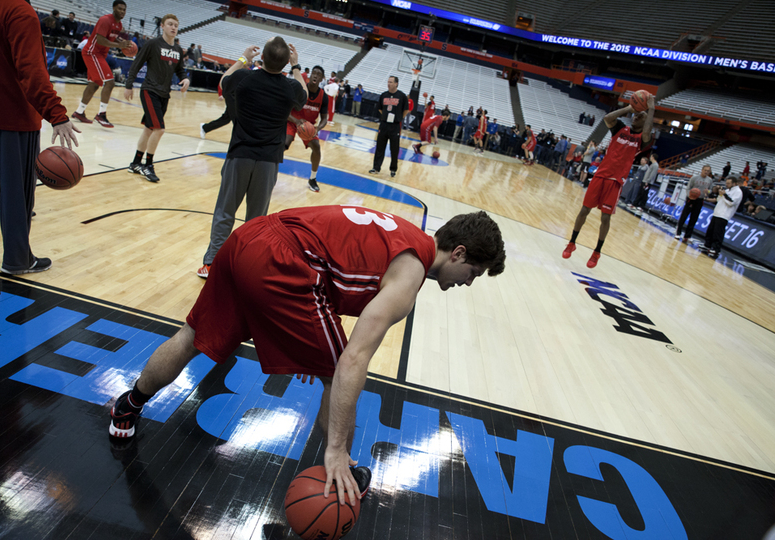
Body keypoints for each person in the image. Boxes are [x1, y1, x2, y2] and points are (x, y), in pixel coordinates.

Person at [109, 205, 506, 506]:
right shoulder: (410, 275)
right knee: (339, 373)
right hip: (285, 261)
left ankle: (128, 405)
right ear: (457, 253)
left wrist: (303, 343)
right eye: (473, 273)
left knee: (190, 335)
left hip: (252, 236)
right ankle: (340, 469)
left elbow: (333, 262)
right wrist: (334, 433)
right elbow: (353, 360)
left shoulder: (403, 233)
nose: (467, 283)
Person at [196, 38, 308, 279]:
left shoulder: (243, 77)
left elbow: (223, 80)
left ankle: (211, 263)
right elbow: (305, 94)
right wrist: (297, 67)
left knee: (225, 211)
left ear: (262, 58)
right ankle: (246, 267)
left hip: (240, 155)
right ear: (287, 62)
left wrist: (243, 58)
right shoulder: (291, 87)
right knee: (256, 219)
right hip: (269, 159)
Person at [0, 0, 80, 274]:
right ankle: (17, 260)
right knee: (17, 194)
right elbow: (31, 69)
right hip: (13, 118)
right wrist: (57, 114)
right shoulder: (19, 11)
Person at [563, 97, 654, 268]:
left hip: (615, 181)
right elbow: (607, 118)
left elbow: (648, 130)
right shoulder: (620, 128)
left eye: (641, 116)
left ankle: (597, 252)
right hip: (600, 175)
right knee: (584, 210)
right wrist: (629, 107)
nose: (636, 116)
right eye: (636, 115)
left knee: (605, 217)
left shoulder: (643, 138)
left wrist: (651, 109)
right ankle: (572, 242)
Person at [122, 14, 189, 183]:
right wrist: (128, 85)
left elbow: (180, 70)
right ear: (162, 26)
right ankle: (148, 165)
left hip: (164, 94)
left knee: (149, 129)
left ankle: (135, 163)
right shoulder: (153, 44)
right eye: (170, 24)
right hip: (149, 90)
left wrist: (186, 78)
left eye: (176, 25)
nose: (173, 27)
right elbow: (137, 63)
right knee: (159, 129)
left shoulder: (178, 50)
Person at [72, 0, 130, 128]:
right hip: (92, 53)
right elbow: (100, 39)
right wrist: (119, 45)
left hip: (100, 55)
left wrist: (123, 42)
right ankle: (101, 114)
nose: (122, 12)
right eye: (120, 9)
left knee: (94, 84)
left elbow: (111, 37)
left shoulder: (118, 25)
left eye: (124, 10)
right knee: (110, 82)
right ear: (114, 8)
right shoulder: (105, 20)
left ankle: (79, 112)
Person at [286, 65, 328, 193]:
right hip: (293, 120)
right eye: (314, 73)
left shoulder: (323, 96)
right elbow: (285, 110)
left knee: (316, 146)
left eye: (318, 74)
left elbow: (325, 118)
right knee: (284, 143)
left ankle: (312, 179)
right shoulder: (300, 90)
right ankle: (269, 171)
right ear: (310, 76)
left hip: (308, 125)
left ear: (322, 78)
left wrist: (318, 128)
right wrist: (296, 121)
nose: (315, 75)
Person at [369, 76, 408, 178]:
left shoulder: (402, 96)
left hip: (395, 126)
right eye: (388, 82)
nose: (388, 83)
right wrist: (384, 116)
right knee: (380, 147)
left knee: (394, 149)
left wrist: (399, 118)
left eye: (391, 82)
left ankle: (393, 169)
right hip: (384, 124)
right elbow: (380, 108)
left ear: (396, 84)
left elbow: (406, 110)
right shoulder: (384, 95)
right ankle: (376, 167)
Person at [702, 176, 742, 259]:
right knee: (710, 231)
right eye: (726, 183)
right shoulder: (727, 190)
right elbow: (719, 200)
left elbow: (731, 202)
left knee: (718, 233)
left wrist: (724, 195)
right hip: (717, 213)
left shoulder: (738, 192)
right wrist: (721, 195)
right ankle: (707, 245)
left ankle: (716, 249)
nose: (726, 185)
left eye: (728, 183)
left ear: (734, 184)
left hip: (724, 215)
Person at [674, 164, 712, 242]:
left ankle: (687, 236)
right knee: (684, 216)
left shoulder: (710, 180)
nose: (706, 172)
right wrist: (689, 196)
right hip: (691, 199)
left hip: (700, 200)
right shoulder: (694, 178)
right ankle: (678, 233)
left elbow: (710, 190)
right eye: (705, 170)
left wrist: (707, 191)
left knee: (694, 219)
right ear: (702, 170)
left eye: (708, 171)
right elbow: (688, 188)